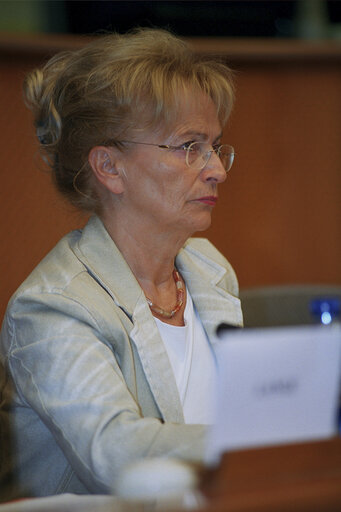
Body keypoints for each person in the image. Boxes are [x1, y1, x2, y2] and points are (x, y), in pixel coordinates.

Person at [0, 28, 243, 500]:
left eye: (215, 145)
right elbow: (118, 456)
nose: (218, 169)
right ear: (109, 167)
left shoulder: (210, 268)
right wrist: (267, 444)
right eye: (190, 146)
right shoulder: (51, 309)